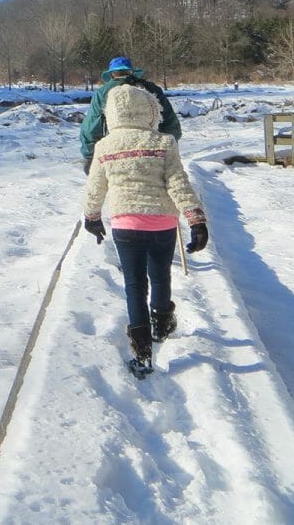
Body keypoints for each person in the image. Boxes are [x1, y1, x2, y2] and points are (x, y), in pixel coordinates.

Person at [82, 83, 208, 377]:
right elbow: (178, 182)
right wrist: (196, 219)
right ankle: (162, 323)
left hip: (126, 226)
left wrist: (92, 217)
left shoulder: (104, 146)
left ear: (111, 115)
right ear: (151, 111)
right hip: (162, 223)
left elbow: (95, 188)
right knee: (160, 274)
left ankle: (141, 353)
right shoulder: (164, 143)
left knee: (134, 286)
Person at [80, 56, 180, 173]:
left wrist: (89, 156)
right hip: (151, 150)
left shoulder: (103, 93)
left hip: (116, 152)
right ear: (131, 71)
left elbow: (91, 127)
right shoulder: (152, 89)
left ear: (112, 74)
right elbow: (170, 121)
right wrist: (169, 149)